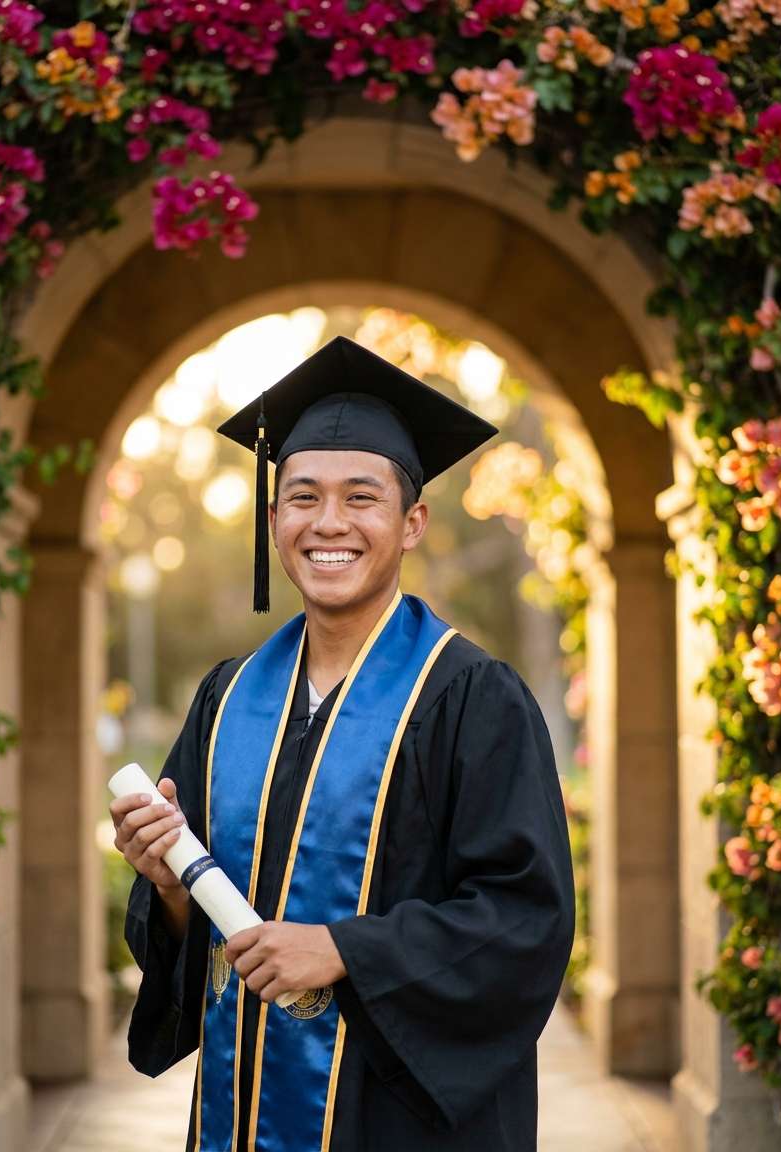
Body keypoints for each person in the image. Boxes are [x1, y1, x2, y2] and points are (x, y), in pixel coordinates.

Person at [110, 336, 576, 1152]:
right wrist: (171, 886)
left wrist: (343, 949)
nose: (329, 523)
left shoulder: (473, 701)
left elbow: (523, 920)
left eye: (362, 498)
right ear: (273, 518)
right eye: (303, 497)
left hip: (402, 1122)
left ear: (412, 522)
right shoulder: (226, 702)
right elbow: (190, 945)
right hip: (243, 1111)